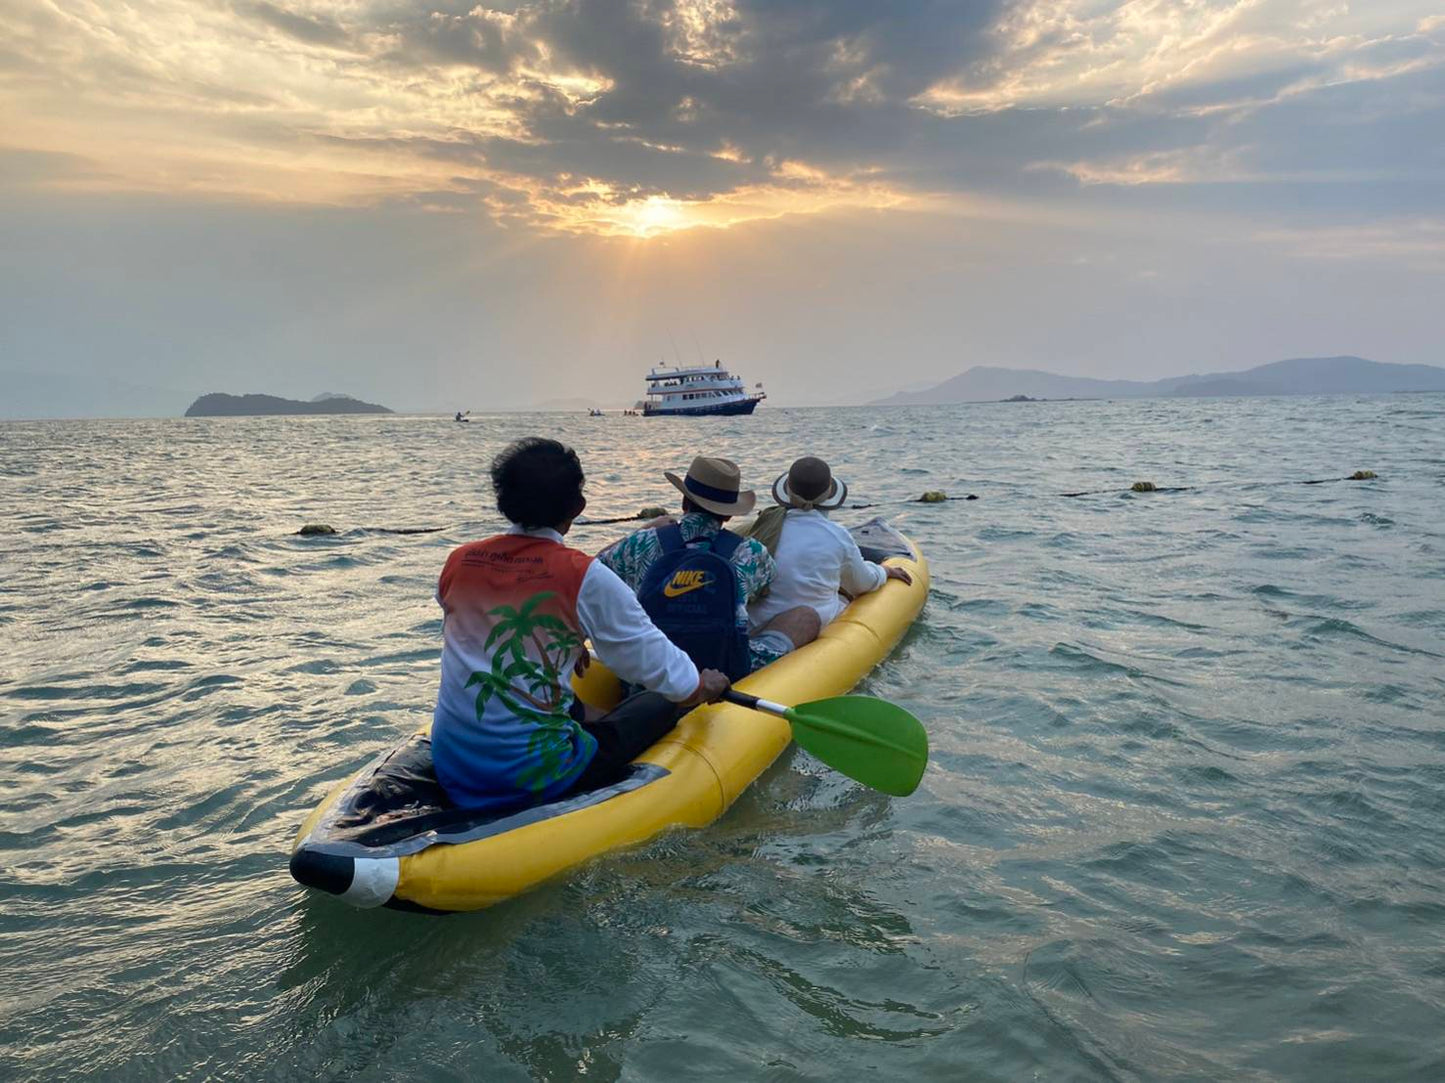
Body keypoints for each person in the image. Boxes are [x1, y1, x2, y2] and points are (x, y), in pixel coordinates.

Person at [430, 437, 730, 812]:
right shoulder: (585, 576)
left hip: (451, 764)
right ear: (578, 507)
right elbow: (671, 677)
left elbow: (485, 629)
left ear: (502, 501)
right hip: (537, 773)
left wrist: (570, 643)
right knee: (658, 701)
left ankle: (582, 718)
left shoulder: (459, 561)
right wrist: (703, 685)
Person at [599, 456, 820, 677]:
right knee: (806, 616)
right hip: (724, 669)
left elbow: (597, 567)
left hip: (652, 665)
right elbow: (765, 587)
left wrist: (646, 528)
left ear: (684, 502)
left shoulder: (641, 543)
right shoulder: (751, 552)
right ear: (729, 514)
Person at [746, 456, 912, 631]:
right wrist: (885, 571)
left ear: (787, 491)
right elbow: (863, 583)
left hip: (757, 621)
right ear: (829, 494)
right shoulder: (838, 536)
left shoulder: (766, 527)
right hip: (810, 624)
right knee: (846, 597)